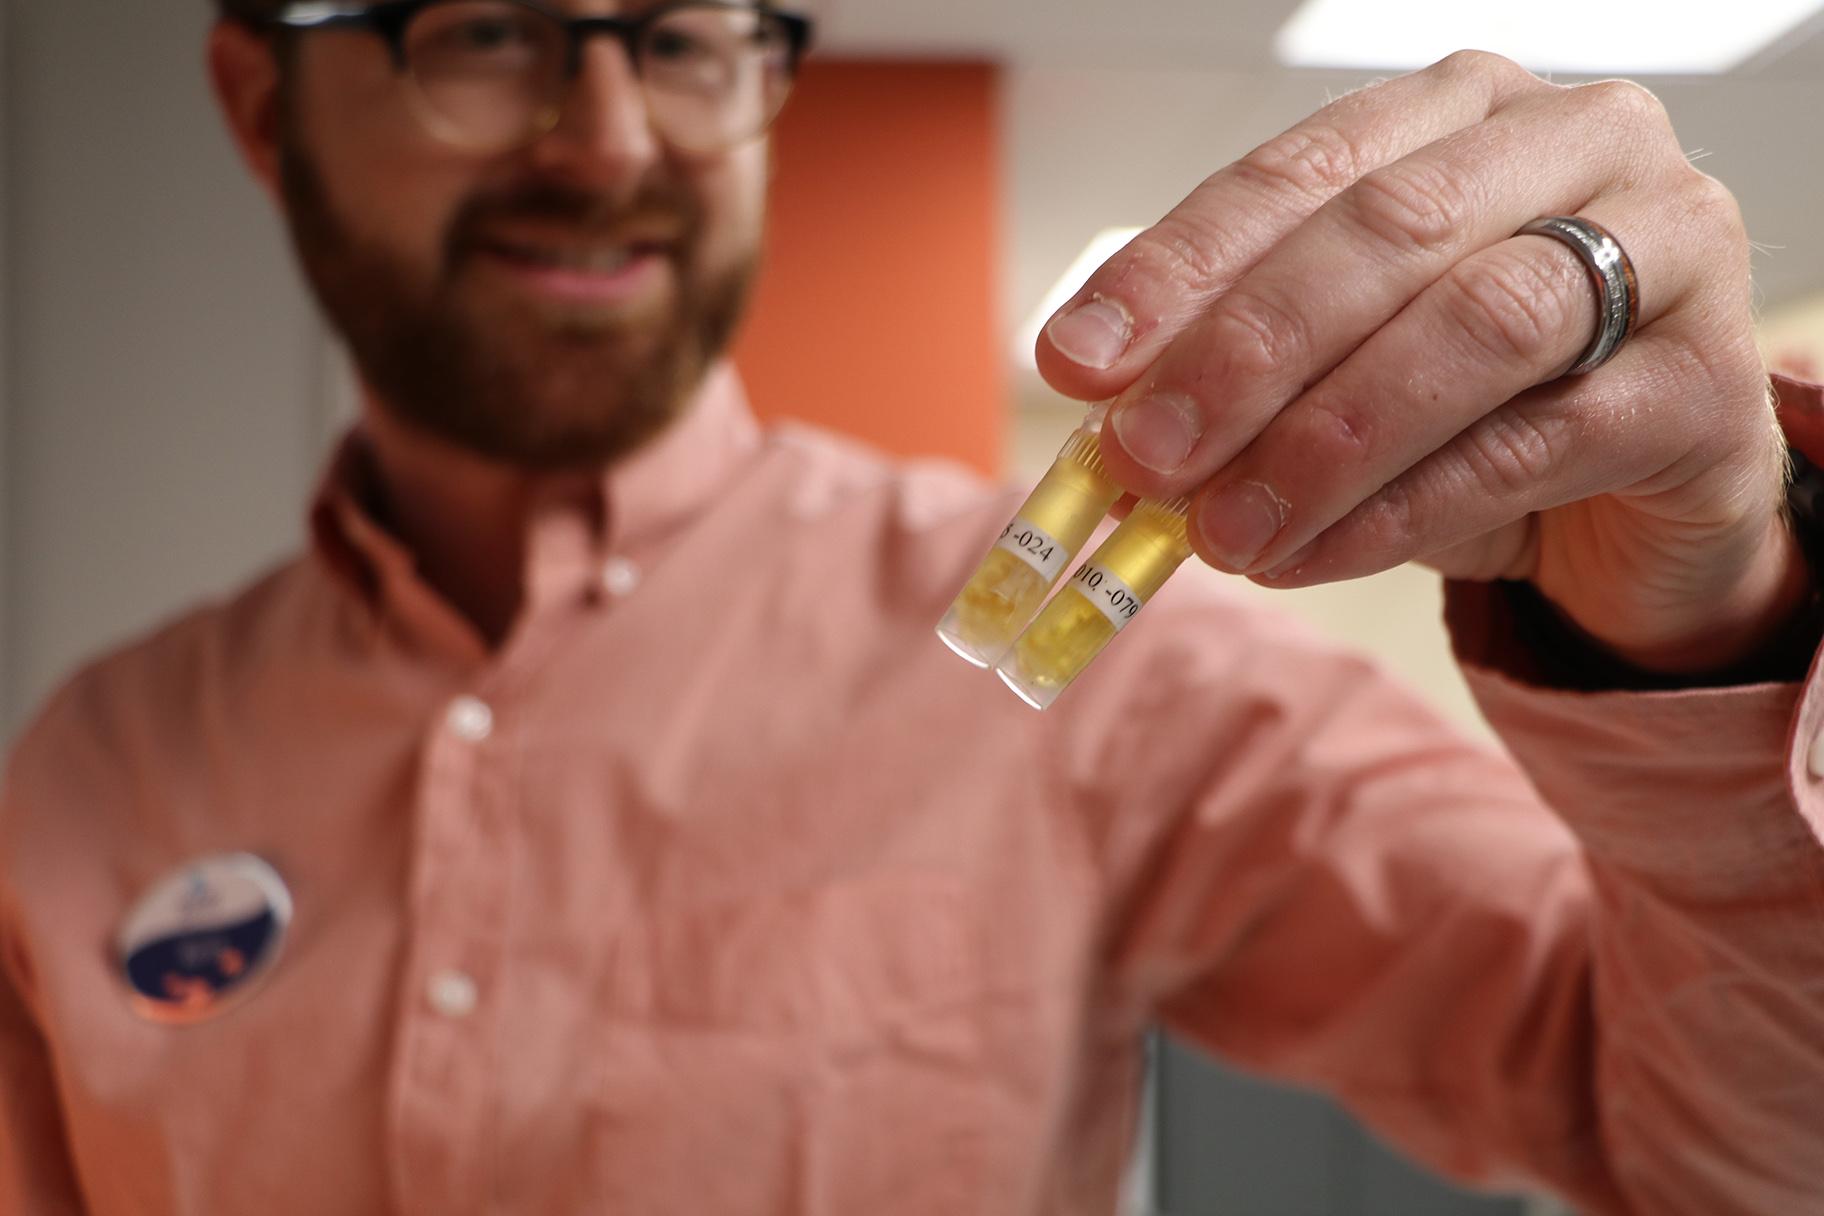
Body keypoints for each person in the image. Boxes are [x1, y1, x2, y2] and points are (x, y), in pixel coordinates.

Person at [2, 0, 1822, 1212]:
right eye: (488, 28)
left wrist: (1705, 625)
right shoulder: (94, 770)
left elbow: (1726, 1164)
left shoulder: (1128, 676)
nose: (611, 133)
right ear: (261, 98)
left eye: (693, 38)